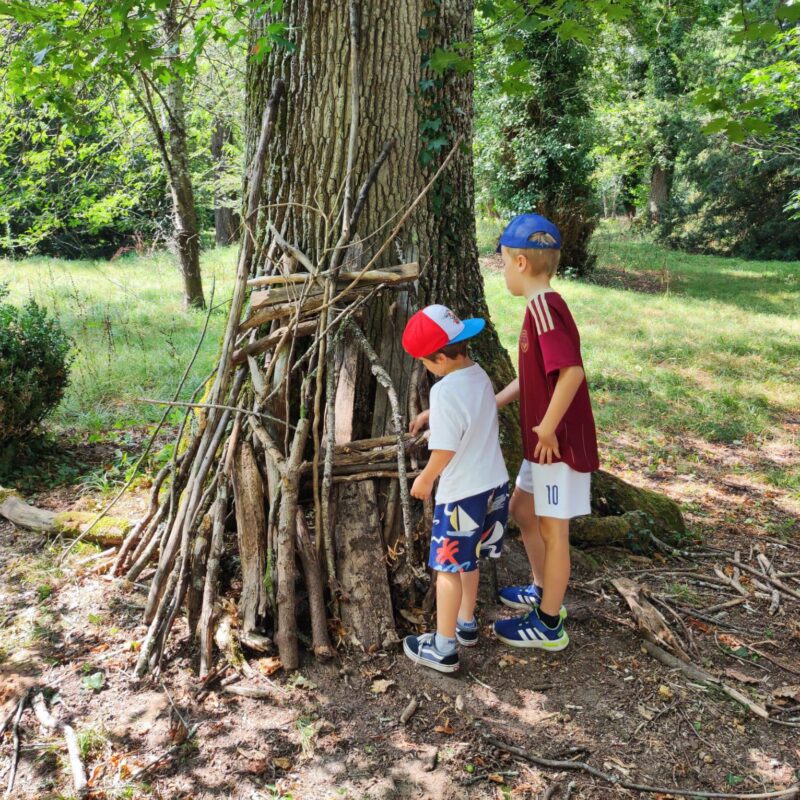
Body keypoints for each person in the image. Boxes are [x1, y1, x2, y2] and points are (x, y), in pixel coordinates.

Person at [493, 213, 599, 651]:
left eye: (502, 263)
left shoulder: (543, 308)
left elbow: (571, 372)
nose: (502, 272)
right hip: (542, 448)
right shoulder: (538, 310)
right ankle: (542, 589)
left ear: (521, 263)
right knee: (522, 510)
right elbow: (536, 376)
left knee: (555, 532)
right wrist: (494, 402)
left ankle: (550, 623)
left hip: (558, 447)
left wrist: (548, 428)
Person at [400, 304, 509, 673]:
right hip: (493, 485)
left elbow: (445, 448)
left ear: (441, 357)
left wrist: (426, 478)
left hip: (462, 495)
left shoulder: (444, 392)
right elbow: (474, 410)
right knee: (469, 558)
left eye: (426, 363)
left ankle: (444, 648)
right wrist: (435, 414)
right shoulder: (478, 374)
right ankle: (466, 622)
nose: (427, 370)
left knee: (447, 567)